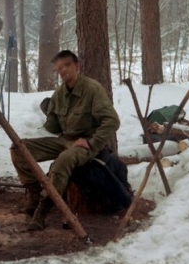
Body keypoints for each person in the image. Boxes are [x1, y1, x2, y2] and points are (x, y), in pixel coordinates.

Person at [10, 49, 120, 230]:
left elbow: (112, 121)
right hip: (65, 140)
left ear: (77, 65)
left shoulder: (92, 89)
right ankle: (35, 195)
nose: (63, 70)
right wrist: (48, 113)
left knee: (63, 160)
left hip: (86, 144)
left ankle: (42, 211)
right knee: (19, 149)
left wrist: (91, 142)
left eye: (67, 65)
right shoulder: (59, 94)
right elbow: (55, 128)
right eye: (59, 68)